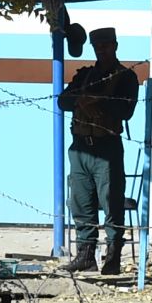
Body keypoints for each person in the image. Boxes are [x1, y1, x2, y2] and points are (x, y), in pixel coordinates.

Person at [58, 27, 139, 275]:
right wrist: (83, 100)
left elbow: (125, 111)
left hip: (107, 148)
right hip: (80, 147)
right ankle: (86, 255)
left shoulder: (125, 77)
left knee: (111, 202)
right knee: (81, 203)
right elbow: (63, 101)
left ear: (115, 45)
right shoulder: (85, 76)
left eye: (106, 45)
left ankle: (113, 257)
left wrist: (97, 103)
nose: (102, 50)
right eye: (98, 46)